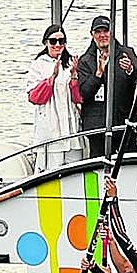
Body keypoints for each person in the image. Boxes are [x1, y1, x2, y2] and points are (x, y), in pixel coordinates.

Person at [76, 16, 137, 159]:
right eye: (98, 32)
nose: (102, 35)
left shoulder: (126, 52)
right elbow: (83, 93)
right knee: (99, 164)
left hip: (123, 122)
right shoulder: (85, 60)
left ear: (112, 32)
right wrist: (98, 74)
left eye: (106, 31)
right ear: (92, 35)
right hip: (97, 126)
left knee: (130, 162)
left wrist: (130, 69)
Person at [25, 24, 84, 172]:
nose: (57, 45)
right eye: (53, 41)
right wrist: (52, 77)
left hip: (70, 125)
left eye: (61, 41)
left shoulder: (71, 62)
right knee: (53, 167)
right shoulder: (38, 65)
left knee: (75, 167)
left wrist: (75, 75)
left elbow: (78, 98)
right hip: (50, 125)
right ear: (46, 42)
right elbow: (34, 97)